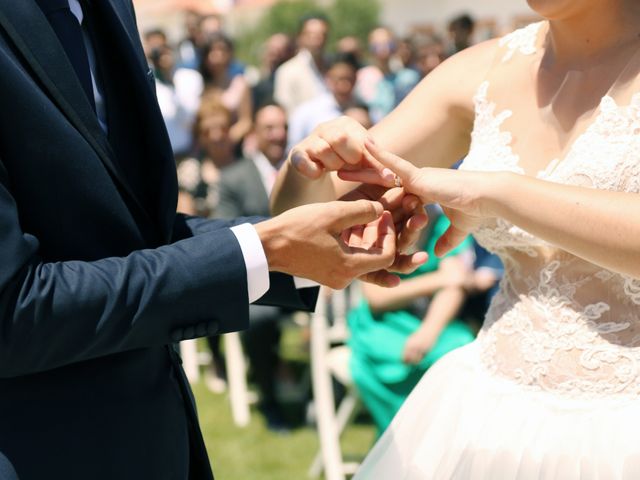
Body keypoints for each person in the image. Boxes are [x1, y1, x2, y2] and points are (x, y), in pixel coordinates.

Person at [0, 2, 426, 480]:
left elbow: (134, 236)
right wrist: (264, 250)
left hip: (160, 438)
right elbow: (13, 310)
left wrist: (312, 238)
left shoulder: (109, 8)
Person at [271, 0, 640, 476]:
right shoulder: (479, 70)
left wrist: (496, 192)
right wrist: (312, 161)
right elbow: (300, 218)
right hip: (487, 410)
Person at [348, 213, 476, 436]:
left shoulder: (445, 223)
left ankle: (442, 440)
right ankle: (401, 437)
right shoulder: (378, 223)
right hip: (382, 324)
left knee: (461, 348)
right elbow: (377, 298)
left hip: (429, 320)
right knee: (393, 356)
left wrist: (429, 331)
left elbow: (454, 287)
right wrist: (438, 280)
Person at [215, 103, 293, 429]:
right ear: (254, 135)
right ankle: (270, 399)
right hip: (259, 277)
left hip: (305, 276)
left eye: (282, 127)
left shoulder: (304, 171)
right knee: (260, 318)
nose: (278, 135)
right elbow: (223, 232)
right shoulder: (234, 177)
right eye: (269, 128)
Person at [287, 52, 360, 149]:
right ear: (328, 78)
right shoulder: (306, 112)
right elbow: (293, 150)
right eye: (339, 79)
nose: (344, 86)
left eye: (349, 79)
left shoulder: (366, 110)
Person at [273, 13, 331, 115]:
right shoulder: (287, 71)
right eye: (312, 35)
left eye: (322, 35)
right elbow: (286, 110)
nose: (318, 40)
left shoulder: (334, 67)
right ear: (300, 37)